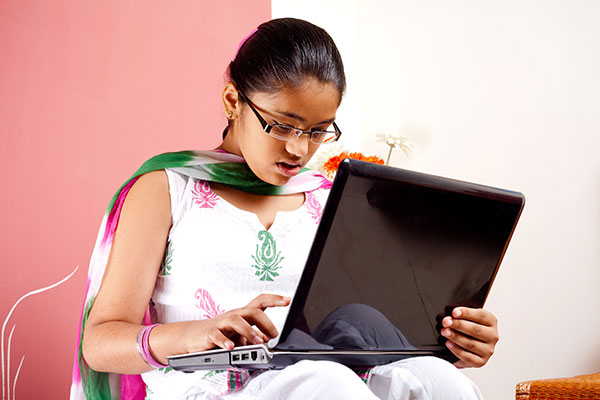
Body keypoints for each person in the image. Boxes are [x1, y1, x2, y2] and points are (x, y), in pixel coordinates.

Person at [71, 18, 499, 400]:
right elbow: (101, 342)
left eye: (316, 132)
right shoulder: (168, 188)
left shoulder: (328, 196)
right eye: (282, 125)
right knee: (329, 386)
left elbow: (365, 329)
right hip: (211, 387)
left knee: (441, 380)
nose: (298, 149)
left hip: (328, 381)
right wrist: (195, 333)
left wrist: (454, 340)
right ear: (232, 101)